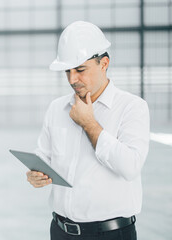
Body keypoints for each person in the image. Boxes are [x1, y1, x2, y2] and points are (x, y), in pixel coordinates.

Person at [26, 21, 150, 240]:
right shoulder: (57, 108)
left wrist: (90, 124)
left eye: (80, 70)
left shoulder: (132, 107)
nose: (72, 79)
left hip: (110, 234)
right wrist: (36, 174)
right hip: (60, 231)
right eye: (68, 71)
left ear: (104, 64)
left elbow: (130, 166)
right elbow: (43, 155)